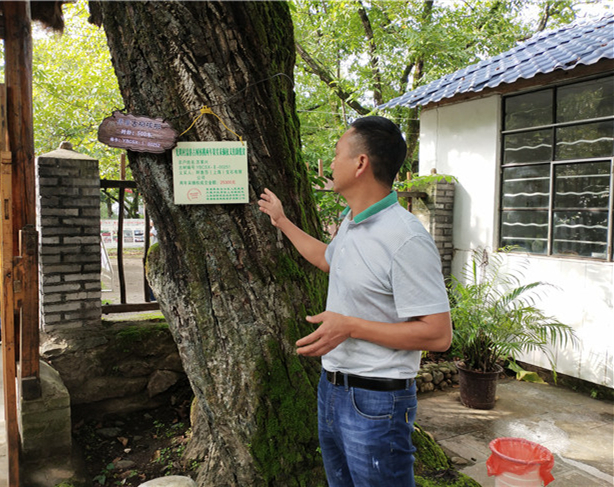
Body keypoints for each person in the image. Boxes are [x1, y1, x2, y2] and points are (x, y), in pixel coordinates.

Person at [258, 115, 452, 487]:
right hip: (332, 390)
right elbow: (327, 259)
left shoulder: (406, 238)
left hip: (377, 402)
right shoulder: (353, 222)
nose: (331, 163)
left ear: (361, 163)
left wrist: (350, 327)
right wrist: (281, 220)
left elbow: (437, 335)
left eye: (336, 154)